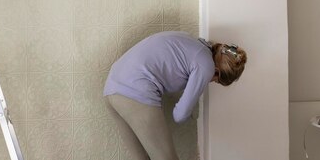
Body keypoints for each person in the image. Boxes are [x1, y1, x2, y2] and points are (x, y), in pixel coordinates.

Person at [104, 31, 247, 160]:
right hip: (135, 90)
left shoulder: (193, 43)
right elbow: (179, 115)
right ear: (217, 72)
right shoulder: (206, 65)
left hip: (112, 88)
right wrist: (191, 110)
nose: (211, 81)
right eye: (216, 81)